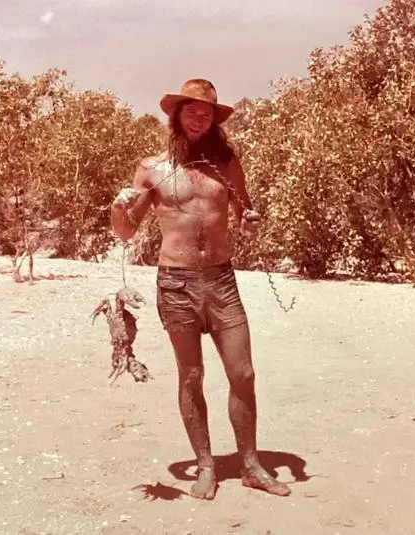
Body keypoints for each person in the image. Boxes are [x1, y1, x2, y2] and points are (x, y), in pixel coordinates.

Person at [109, 79, 291, 500]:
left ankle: (250, 466)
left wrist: (251, 220)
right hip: (175, 283)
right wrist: (118, 206)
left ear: (213, 120)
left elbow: (246, 210)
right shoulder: (151, 169)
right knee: (191, 376)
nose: (198, 118)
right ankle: (206, 466)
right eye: (190, 111)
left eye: (205, 113)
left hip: (221, 281)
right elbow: (126, 232)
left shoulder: (225, 165)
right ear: (176, 117)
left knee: (242, 373)